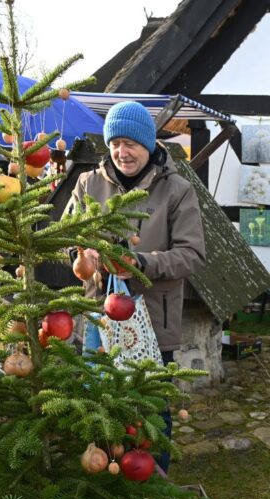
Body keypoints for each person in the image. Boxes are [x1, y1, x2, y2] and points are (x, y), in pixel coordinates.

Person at [65, 100, 206, 473]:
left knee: (149, 414)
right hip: (99, 320)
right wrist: (79, 257)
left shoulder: (176, 190)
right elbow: (65, 238)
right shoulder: (87, 183)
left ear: (149, 144)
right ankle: (105, 489)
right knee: (99, 407)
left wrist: (143, 264)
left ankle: (152, 491)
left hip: (152, 323)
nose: (122, 152)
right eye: (115, 143)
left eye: (131, 144)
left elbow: (192, 254)